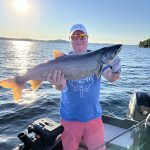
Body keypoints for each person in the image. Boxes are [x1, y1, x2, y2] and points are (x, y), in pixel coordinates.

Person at [47, 24, 121, 150]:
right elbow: (61, 88)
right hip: (69, 119)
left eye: (82, 36)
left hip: (93, 118)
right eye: (74, 36)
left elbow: (112, 78)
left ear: (87, 38)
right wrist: (57, 83)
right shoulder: (64, 60)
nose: (79, 39)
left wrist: (117, 67)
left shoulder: (98, 58)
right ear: (69, 39)